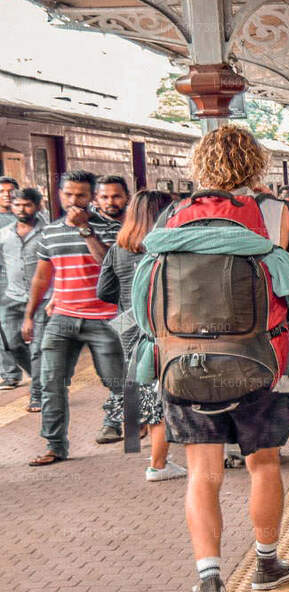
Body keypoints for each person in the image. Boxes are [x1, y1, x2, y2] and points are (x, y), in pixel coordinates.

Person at [159, 126, 289, 592]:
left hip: (186, 361)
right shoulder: (280, 212)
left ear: (198, 166)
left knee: (202, 473)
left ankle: (209, 575)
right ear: (257, 165)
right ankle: (266, 564)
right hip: (263, 359)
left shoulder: (174, 213)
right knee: (263, 463)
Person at [23, 171, 126, 464]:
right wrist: (29, 316)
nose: (74, 201)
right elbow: (42, 278)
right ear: (58, 195)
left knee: (118, 381)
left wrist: (85, 231)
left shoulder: (110, 229)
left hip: (105, 319)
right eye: (68, 194)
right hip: (62, 318)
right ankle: (55, 446)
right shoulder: (50, 232)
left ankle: (133, 428)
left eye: (81, 195)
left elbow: (110, 264)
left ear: (91, 197)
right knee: (50, 383)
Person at [96, 190, 186, 482]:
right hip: (162, 326)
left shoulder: (118, 248)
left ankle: (135, 435)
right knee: (167, 391)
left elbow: (103, 292)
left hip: (127, 323)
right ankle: (158, 463)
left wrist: (127, 303)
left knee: (141, 384)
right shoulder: (169, 248)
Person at [0, 188, 46, 402]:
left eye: (27, 204)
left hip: (43, 298)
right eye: (17, 204)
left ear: (37, 206)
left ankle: (37, 392)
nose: (21, 209)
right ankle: (43, 378)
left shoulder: (48, 232)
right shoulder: (4, 233)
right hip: (12, 298)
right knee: (12, 343)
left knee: (37, 348)